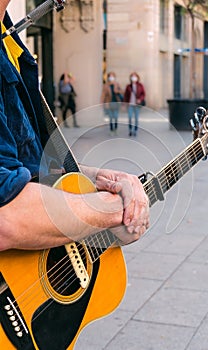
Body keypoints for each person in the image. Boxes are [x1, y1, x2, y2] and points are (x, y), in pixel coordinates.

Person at [0, 1, 149, 252]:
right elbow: (7, 216)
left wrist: (93, 177)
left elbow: (25, 164)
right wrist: (115, 210)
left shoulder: (10, 42)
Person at [124, 72, 146, 136]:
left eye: (135, 76)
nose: (134, 77)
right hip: (130, 104)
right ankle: (130, 130)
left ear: (137, 77)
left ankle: (135, 130)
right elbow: (126, 95)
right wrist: (125, 103)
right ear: (130, 78)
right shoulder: (128, 86)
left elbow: (143, 94)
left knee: (136, 118)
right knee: (130, 117)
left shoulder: (140, 85)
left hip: (137, 105)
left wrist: (140, 99)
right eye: (132, 76)